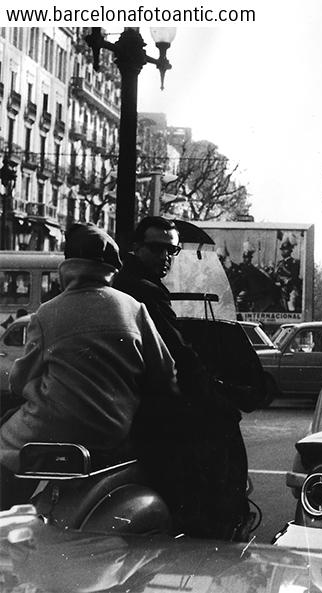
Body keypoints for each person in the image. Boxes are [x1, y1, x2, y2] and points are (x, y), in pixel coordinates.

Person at [0, 223, 179, 510]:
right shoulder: (134, 308)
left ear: (67, 265)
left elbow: (19, 382)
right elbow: (166, 374)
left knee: (5, 448)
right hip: (114, 430)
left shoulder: (47, 313)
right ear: (111, 267)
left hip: (54, 430)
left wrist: (36, 387)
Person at [113, 216, 253, 541]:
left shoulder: (130, 284)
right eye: (156, 248)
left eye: (171, 250)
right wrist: (217, 397)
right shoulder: (145, 292)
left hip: (125, 395)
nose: (165, 257)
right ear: (135, 248)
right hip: (147, 406)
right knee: (220, 428)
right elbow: (178, 356)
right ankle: (213, 530)